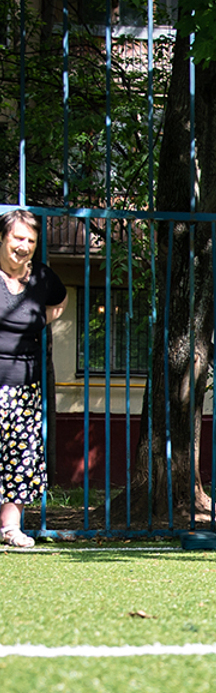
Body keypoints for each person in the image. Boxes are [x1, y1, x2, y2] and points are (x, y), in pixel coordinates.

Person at [0, 209, 66, 548]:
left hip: (24, 383)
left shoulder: (41, 276)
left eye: (30, 240)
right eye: (18, 238)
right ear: (2, 238)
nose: (23, 246)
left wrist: (40, 320)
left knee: (21, 455)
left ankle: (10, 528)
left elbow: (60, 299)